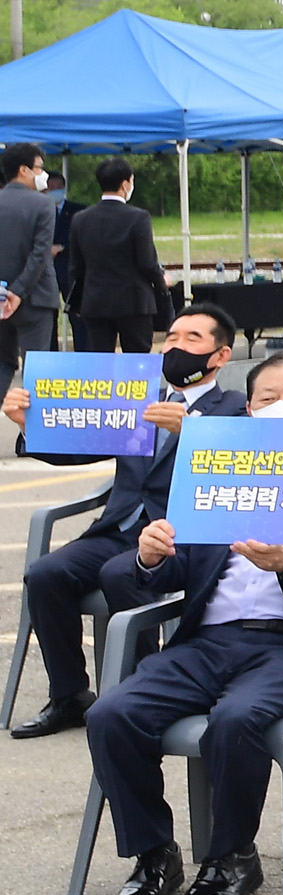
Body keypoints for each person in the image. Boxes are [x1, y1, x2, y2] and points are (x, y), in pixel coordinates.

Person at [85, 351, 283, 895]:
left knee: (237, 719)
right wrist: (151, 557)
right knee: (111, 714)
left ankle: (231, 855)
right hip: (209, 641)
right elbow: (180, 570)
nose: (280, 407)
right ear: (247, 410)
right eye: (267, 398)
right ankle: (155, 853)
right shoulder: (216, 471)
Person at [3, 306, 245, 739]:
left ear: (220, 356)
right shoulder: (137, 395)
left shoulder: (234, 408)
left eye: (192, 339)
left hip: (178, 535)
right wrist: (31, 426)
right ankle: (70, 696)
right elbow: (80, 444)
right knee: (45, 575)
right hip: (119, 527)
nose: (176, 346)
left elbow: (243, 465)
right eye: (170, 337)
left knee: (121, 575)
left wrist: (190, 429)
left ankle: (141, 690)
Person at [67, 157, 168, 355]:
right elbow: (147, 262)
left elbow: (76, 267)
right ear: (125, 184)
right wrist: (161, 284)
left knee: (100, 362)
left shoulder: (81, 218)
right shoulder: (138, 217)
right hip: (133, 302)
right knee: (137, 361)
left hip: (95, 302)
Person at [0, 142, 59, 391]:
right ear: (24, 170)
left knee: (3, 363)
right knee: (36, 369)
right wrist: (18, 291)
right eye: (39, 168)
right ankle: (30, 429)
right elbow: (39, 254)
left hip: (1, 298)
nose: (42, 174)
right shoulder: (43, 204)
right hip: (36, 299)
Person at [47, 170, 83, 307]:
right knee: (48, 316)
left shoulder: (78, 211)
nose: (55, 191)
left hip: (70, 270)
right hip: (47, 272)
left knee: (77, 316)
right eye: (51, 188)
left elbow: (82, 236)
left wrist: (62, 247)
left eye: (58, 188)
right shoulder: (39, 210)